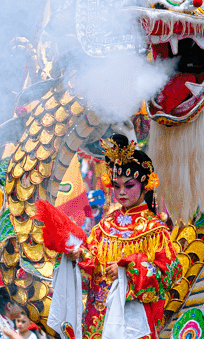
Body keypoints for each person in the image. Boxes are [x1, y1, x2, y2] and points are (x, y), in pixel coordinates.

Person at [67, 134, 180, 339]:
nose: (121, 192)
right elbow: (91, 257)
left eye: (129, 186)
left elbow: (170, 275)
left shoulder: (155, 230)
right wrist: (79, 255)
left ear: (145, 185)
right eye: (116, 186)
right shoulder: (105, 224)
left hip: (132, 320)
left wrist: (128, 269)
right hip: (98, 319)